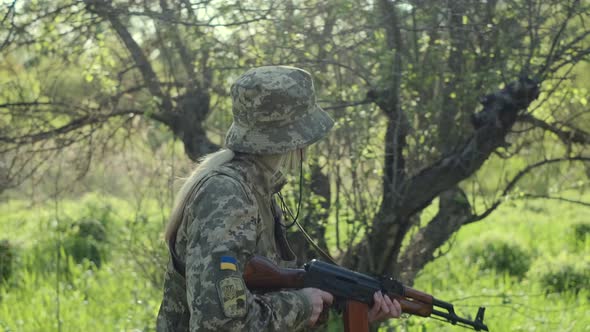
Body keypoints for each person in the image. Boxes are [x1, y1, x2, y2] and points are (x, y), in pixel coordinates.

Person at [156, 66, 401, 331]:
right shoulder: (227, 195)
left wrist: (348, 314)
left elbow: (259, 308)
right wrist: (302, 305)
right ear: (294, 141)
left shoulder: (258, 190)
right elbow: (220, 324)